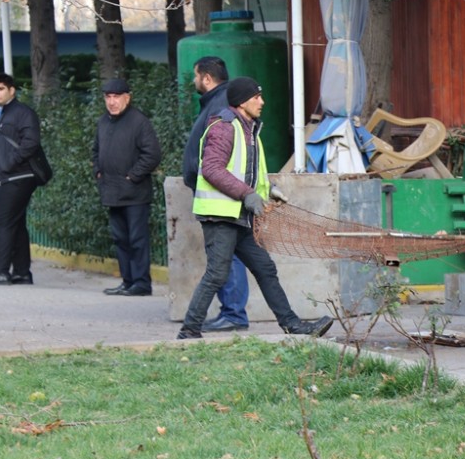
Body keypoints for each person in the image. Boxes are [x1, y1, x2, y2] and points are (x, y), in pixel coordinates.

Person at [177, 76, 333, 340]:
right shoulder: (224, 127)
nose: (262, 102)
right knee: (217, 274)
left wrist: (268, 190)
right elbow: (212, 169)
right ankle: (189, 330)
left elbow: (248, 173)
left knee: (265, 269)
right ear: (241, 102)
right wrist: (248, 195)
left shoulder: (249, 130)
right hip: (220, 215)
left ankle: (292, 325)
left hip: (239, 216)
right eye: (256, 97)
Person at [182, 56, 250, 332]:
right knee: (232, 256)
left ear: (206, 78)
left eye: (196, 76)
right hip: (221, 193)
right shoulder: (218, 102)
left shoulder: (221, 105)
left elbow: (218, 157)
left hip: (222, 196)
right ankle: (233, 313)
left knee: (227, 257)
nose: (193, 81)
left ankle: (233, 314)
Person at [92, 78, 162, 297]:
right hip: (111, 190)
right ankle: (127, 280)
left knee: (137, 239)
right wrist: (98, 171)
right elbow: (96, 151)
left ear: (127, 97)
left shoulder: (139, 121)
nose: (112, 102)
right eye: (108, 97)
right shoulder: (103, 122)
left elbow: (152, 154)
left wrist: (133, 176)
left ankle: (141, 283)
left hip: (135, 193)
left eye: (116, 97)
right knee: (120, 239)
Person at [0, 73, 42, 285]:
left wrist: (9, 162)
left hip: (20, 175)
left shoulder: (23, 113)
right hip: (9, 176)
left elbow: (31, 142)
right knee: (16, 222)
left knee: (3, 220)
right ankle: (22, 272)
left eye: (0, 89)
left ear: (11, 90)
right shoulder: (3, 113)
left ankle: (1, 271)